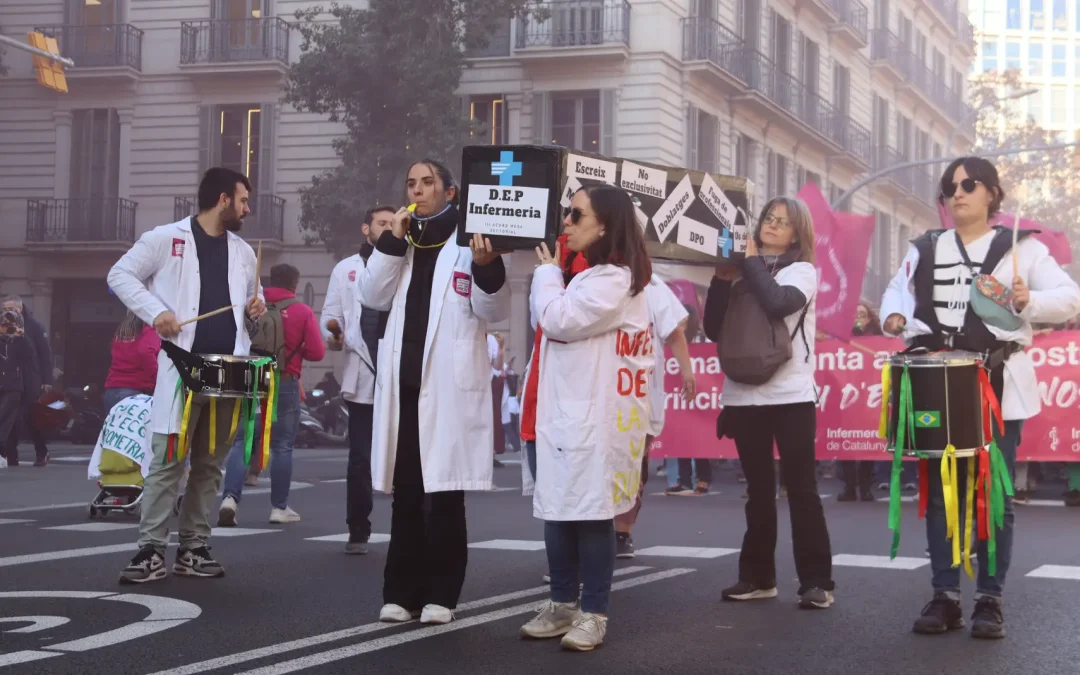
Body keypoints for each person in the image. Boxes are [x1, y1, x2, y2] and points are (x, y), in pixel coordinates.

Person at [880, 156, 1080, 638]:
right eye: (951, 188)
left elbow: (1071, 297)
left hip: (999, 387)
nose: (959, 193)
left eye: (969, 185)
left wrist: (1029, 299)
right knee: (942, 495)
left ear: (992, 192)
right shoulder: (925, 247)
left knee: (994, 495)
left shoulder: (1022, 248)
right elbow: (896, 293)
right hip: (936, 385)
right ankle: (945, 595)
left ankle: (990, 599)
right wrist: (893, 318)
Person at [358, 159, 510, 626]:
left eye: (428, 183)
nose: (418, 191)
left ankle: (442, 593)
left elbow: (494, 308)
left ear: (450, 191)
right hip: (403, 386)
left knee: (443, 493)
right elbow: (372, 296)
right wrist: (391, 241)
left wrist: (486, 266)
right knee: (405, 493)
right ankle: (400, 592)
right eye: (411, 184)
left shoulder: (471, 241)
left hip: (447, 385)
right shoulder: (402, 242)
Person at [107, 167, 266, 584]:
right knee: (167, 460)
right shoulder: (165, 238)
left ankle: (194, 547)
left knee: (210, 464)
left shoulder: (244, 252)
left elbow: (252, 302)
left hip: (228, 368)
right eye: (244, 200)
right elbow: (119, 275)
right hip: (182, 366)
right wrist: (156, 312)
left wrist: (256, 310)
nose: (248, 208)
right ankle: (151, 549)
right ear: (223, 199)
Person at [519, 184, 652, 652]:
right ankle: (561, 604)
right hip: (563, 414)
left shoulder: (615, 279)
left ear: (605, 225)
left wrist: (545, 273)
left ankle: (593, 612)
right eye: (567, 215)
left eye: (577, 215)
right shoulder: (589, 276)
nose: (567, 224)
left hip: (595, 420)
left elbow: (557, 319)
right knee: (558, 509)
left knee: (592, 514)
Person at [705, 196, 835, 609]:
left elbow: (780, 303)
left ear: (797, 233)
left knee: (801, 489)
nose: (772, 225)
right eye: (768, 218)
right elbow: (712, 329)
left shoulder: (803, 271)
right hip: (744, 395)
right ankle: (758, 578)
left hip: (791, 393)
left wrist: (749, 263)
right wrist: (722, 280)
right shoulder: (744, 269)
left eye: (783, 222)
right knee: (759, 491)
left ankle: (816, 582)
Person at [218, 263, 325, 526]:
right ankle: (279, 508)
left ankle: (230, 498)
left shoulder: (252, 305)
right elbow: (317, 352)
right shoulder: (301, 311)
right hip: (284, 381)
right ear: (295, 284)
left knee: (241, 440)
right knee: (282, 445)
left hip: (249, 378)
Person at [321, 205, 394, 554]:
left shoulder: (404, 264)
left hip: (397, 372)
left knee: (406, 456)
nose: (388, 227)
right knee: (360, 456)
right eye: (382, 223)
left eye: (393, 224)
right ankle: (358, 528)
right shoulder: (345, 270)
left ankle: (408, 529)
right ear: (367, 229)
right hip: (363, 373)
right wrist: (332, 335)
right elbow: (330, 318)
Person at [1, 295, 53, 466]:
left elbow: (44, 354)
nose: (8, 312)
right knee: (10, 419)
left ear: (20, 308)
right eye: (5, 309)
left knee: (31, 417)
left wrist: (46, 379)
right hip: (10, 380)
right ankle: (11, 455)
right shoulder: (3, 325)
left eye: (11, 308)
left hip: (30, 378)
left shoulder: (34, 326)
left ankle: (41, 450)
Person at [0, 309, 41, 468]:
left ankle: (3, 453)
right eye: (4, 325)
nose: (6, 328)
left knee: (5, 420)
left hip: (13, 386)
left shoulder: (20, 340)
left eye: (10, 325)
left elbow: (29, 357)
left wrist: (21, 337)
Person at [103, 311, 161, 412]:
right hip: (135, 392)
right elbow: (145, 351)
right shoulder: (150, 331)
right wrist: (157, 378)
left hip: (111, 391)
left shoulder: (121, 333)